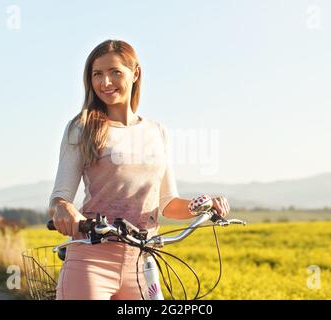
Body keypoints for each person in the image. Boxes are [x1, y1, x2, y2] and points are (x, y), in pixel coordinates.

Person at [48, 39, 231, 300]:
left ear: (135, 73)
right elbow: (59, 197)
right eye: (97, 74)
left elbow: (166, 203)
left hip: (143, 260)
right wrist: (63, 208)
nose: (105, 82)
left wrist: (202, 205)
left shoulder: (156, 131)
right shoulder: (82, 127)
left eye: (115, 72)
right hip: (92, 259)